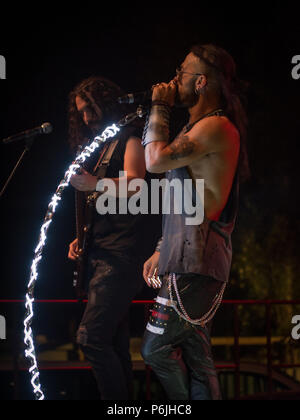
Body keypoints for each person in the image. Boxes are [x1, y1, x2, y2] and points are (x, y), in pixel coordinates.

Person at [141, 44, 249, 400]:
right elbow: (182, 200)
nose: (174, 79)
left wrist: (159, 105)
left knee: (154, 350)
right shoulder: (201, 126)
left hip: (197, 263)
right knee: (197, 358)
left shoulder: (215, 126)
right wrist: (162, 248)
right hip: (191, 258)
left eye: (182, 72)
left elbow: (154, 161)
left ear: (201, 82)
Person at [67, 76, 161, 400]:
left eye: (90, 109)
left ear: (106, 104)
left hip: (121, 257)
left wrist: (93, 183)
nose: (86, 118)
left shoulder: (129, 139)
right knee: (115, 344)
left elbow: (137, 185)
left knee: (91, 337)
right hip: (101, 254)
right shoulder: (100, 147)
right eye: (80, 112)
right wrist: (82, 239)